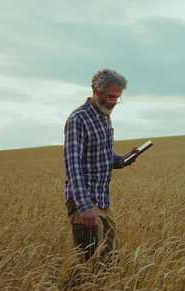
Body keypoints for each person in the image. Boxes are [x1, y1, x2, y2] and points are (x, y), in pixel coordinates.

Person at [63, 68, 137, 267]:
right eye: (111, 97)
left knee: (109, 256)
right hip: (85, 201)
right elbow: (74, 166)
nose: (114, 102)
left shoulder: (104, 116)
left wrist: (121, 160)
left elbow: (102, 154)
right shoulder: (78, 119)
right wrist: (84, 207)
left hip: (103, 200)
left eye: (117, 98)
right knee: (89, 262)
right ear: (96, 91)